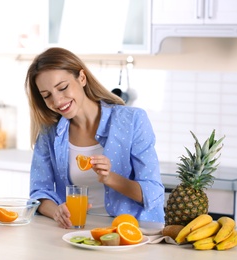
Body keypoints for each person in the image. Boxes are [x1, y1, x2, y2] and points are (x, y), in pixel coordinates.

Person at [25, 47, 164, 229]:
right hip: (76, 232)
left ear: (82, 78)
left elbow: (154, 193)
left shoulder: (132, 121)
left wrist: (110, 178)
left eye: (63, 88)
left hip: (130, 233)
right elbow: (39, 192)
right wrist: (56, 211)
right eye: (47, 96)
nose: (57, 101)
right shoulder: (49, 132)